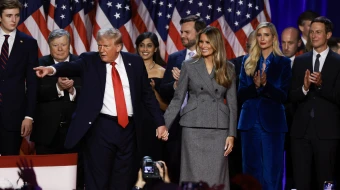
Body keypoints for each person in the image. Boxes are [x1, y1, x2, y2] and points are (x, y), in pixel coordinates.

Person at [34, 28, 168, 190]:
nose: (101, 50)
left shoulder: (135, 62)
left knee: (123, 179)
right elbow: (71, 67)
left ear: (118, 47)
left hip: (129, 131)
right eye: (99, 46)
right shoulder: (90, 60)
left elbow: (147, 96)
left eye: (105, 46)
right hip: (101, 129)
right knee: (98, 179)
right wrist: (51, 70)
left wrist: (160, 123)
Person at [164, 26, 237, 189]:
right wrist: (164, 125)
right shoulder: (188, 65)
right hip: (193, 128)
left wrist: (231, 134)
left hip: (219, 129)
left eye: (207, 42)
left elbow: (232, 104)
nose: (203, 45)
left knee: (216, 176)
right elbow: (178, 99)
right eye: (201, 42)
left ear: (216, 44)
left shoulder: (229, 68)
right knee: (193, 175)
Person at [238, 22, 291, 190]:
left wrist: (266, 85)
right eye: (259, 35)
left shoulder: (283, 63)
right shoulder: (247, 60)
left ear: (274, 38)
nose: (262, 38)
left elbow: (283, 96)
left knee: (271, 173)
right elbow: (240, 94)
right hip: (249, 122)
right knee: (251, 172)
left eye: (266, 35)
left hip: (273, 124)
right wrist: (255, 86)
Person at [29, 29, 84, 189]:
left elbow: (91, 93)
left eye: (63, 44)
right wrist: (58, 88)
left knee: (75, 177)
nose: (60, 49)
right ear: (49, 46)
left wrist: (73, 90)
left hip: (75, 132)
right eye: (55, 45)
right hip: (46, 134)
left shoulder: (80, 63)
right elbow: (33, 94)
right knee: (47, 179)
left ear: (69, 45)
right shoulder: (39, 64)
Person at [290, 16, 340, 190]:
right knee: (301, 183)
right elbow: (291, 96)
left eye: (318, 32)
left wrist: (320, 86)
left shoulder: (338, 62)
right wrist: (304, 88)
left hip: (327, 133)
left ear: (328, 35)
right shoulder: (301, 60)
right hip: (301, 133)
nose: (313, 35)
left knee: (326, 183)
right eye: (311, 32)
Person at [159, 15, 206, 184]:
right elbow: (163, 90)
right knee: (174, 166)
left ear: (200, 32)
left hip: (202, 123)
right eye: (181, 32)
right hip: (177, 124)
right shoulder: (175, 58)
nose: (182, 35)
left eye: (187, 32)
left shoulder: (210, 57)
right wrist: (176, 84)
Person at [0, 0, 38, 156]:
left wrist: (29, 116)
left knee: (9, 165)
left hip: (13, 115)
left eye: (16, 15)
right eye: (9, 16)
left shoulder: (28, 43)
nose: (13, 20)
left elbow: (32, 82)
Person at [135, 32, 167, 161]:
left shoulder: (163, 72)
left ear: (156, 49)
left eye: (149, 45)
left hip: (153, 124)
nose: (145, 49)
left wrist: (153, 91)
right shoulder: (129, 69)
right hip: (132, 124)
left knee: (151, 162)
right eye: (141, 45)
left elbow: (167, 107)